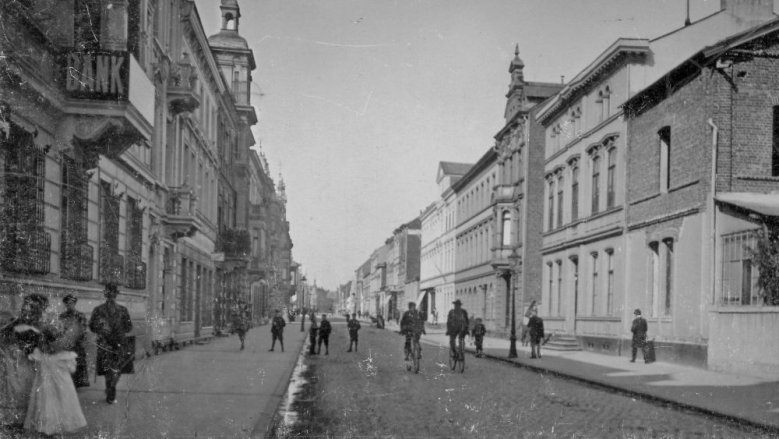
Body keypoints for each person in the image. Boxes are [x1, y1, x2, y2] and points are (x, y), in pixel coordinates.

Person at [24, 299, 88, 436]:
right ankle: (57, 427)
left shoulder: (41, 354)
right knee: (62, 405)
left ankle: (47, 428)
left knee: (46, 405)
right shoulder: (64, 355)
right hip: (62, 386)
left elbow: (33, 362)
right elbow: (72, 368)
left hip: (44, 387)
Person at [0, 294, 49, 428]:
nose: (26, 308)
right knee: (17, 390)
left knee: (28, 390)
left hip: (30, 361)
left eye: (30, 306)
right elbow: (3, 334)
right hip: (17, 361)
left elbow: (43, 343)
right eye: (25, 305)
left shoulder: (41, 323)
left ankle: (25, 419)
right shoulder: (18, 321)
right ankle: (17, 420)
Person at [89, 282, 133, 404]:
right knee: (112, 369)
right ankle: (111, 388)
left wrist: (117, 330)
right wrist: (101, 328)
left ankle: (110, 387)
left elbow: (129, 327)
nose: (111, 297)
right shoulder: (98, 310)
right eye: (110, 294)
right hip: (106, 343)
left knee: (115, 369)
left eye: (112, 294)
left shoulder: (123, 310)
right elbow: (92, 326)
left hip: (117, 343)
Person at [58, 294, 89, 388]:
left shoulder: (80, 315)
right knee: (66, 363)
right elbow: (60, 328)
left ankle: (76, 384)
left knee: (77, 364)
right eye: (67, 303)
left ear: (74, 303)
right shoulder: (62, 316)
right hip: (66, 343)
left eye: (71, 303)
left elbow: (84, 329)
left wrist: (83, 340)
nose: (69, 305)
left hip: (78, 344)